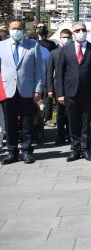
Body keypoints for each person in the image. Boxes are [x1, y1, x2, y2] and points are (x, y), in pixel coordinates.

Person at [55, 21, 91, 162]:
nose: (81, 32)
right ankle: (75, 149)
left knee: (86, 122)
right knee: (73, 121)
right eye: (78, 30)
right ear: (73, 33)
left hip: (87, 91)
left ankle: (86, 149)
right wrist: (60, 93)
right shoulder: (66, 49)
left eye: (83, 30)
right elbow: (60, 73)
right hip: (70, 92)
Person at [0, 19, 44, 164]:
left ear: (23, 30)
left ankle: (27, 151)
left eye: (19, 28)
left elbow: (40, 70)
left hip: (27, 90)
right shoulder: (1, 46)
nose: (16, 31)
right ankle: (12, 152)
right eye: (13, 28)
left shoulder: (33, 45)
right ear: (9, 29)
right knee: (10, 123)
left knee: (27, 122)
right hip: (7, 90)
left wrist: (38, 89)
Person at [47, 28, 72, 145]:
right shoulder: (54, 53)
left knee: (71, 112)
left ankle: (71, 134)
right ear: (60, 38)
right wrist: (50, 88)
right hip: (58, 87)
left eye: (68, 37)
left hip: (71, 86)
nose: (66, 39)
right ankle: (60, 134)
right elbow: (49, 72)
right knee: (60, 113)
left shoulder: (74, 51)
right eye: (64, 37)